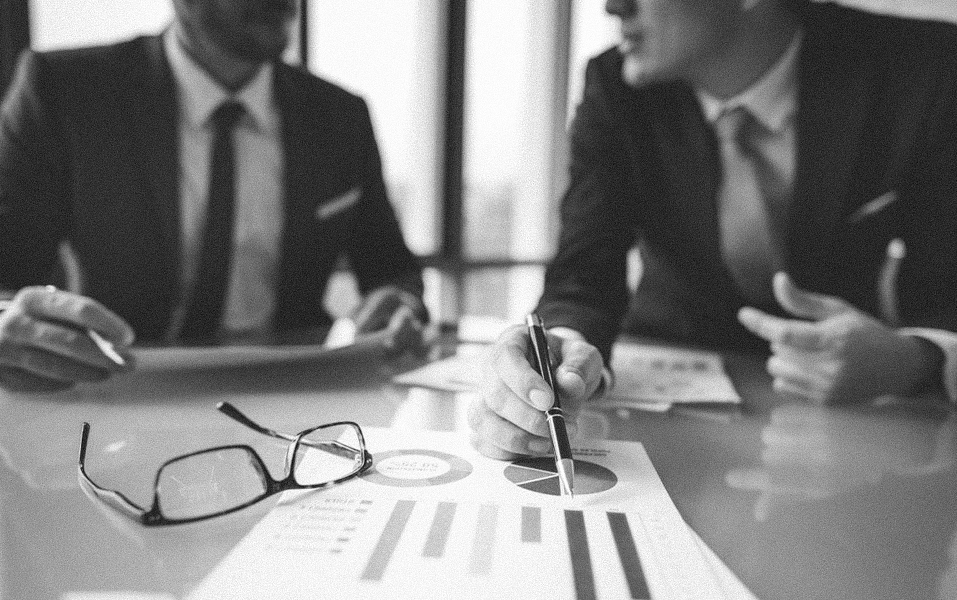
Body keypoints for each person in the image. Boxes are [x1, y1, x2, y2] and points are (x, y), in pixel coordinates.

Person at [469, 0, 957, 460]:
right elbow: (584, 272)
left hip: (856, 424)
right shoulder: (615, 85)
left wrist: (918, 360)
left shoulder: (924, 69)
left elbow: (945, 292)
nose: (612, 5)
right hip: (669, 388)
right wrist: (563, 349)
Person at [0, 0, 427, 392]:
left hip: (299, 395)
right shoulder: (63, 91)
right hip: (115, 390)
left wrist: (398, 305)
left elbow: (392, 270)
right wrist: (9, 324)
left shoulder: (340, 116)